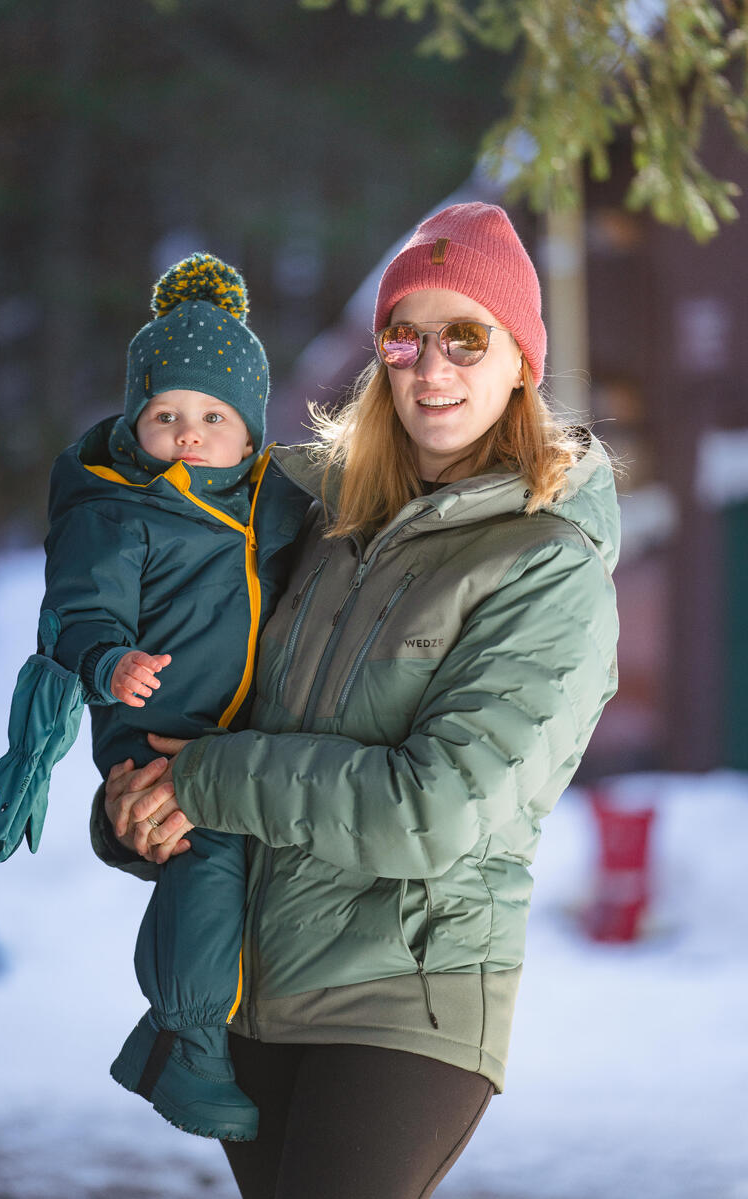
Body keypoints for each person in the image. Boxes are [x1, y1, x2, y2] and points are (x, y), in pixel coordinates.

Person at [95, 202, 620, 1199]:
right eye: (404, 334)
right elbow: (215, 698)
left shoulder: (547, 565)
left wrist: (203, 780)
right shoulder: (313, 522)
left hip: (407, 995)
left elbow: (439, 808)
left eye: (466, 336)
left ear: (520, 360)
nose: (431, 365)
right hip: (255, 987)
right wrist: (139, 798)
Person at [0, 253, 309, 1141]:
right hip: (158, 730)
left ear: (250, 432)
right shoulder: (118, 511)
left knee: (232, 875)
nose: (190, 434)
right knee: (202, 867)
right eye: (167, 413)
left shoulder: (271, 502)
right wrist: (106, 663)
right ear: (135, 423)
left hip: (237, 735)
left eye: (214, 416)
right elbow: (76, 611)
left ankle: (176, 1031)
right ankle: (188, 1038)